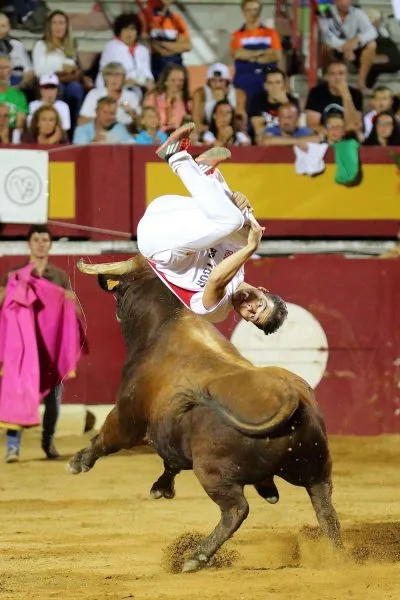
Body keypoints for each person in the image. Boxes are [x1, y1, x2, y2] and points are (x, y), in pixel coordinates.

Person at [137, 122, 288, 331]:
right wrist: (240, 205)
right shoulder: (239, 266)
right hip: (165, 209)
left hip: (158, 244)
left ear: (246, 320)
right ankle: (206, 175)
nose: (251, 309)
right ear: (262, 290)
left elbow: (217, 278)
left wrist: (251, 248)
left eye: (253, 317)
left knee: (234, 223)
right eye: (260, 304)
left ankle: (180, 159)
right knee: (241, 225)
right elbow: (247, 233)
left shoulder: (217, 312)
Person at [0, 224, 81, 462]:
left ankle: (48, 443)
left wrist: (70, 300)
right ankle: (13, 447)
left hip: (49, 348)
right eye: (36, 239)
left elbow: (73, 311)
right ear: (29, 243)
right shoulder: (14, 274)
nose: (40, 243)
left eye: (45, 239)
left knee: (53, 399)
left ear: (50, 244)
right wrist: (10, 289)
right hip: (23, 349)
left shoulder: (59, 277)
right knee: (17, 394)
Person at [32, 10, 85, 131]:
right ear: (49, 26)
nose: (58, 27)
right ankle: (57, 129)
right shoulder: (41, 45)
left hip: (68, 81)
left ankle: (75, 130)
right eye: (54, 23)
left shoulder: (70, 46)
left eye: (61, 23)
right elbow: (39, 71)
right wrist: (61, 67)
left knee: (76, 88)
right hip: (49, 83)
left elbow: (75, 68)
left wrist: (71, 70)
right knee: (58, 88)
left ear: (67, 26)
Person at [318, 0, 377, 89]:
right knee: (325, 47)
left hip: (354, 49)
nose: (343, 3)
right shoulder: (325, 12)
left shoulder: (357, 13)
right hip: (335, 48)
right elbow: (326, 36)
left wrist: (357, 39)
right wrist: (345, 47)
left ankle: (361, 82)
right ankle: (329, 81)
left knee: (372, 45)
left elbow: (372, 31)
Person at [230, 0, 282, 101]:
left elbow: (276, 55)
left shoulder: (271, 33)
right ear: (243, 12)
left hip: (267, 82)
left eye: (255, 10)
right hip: (244, 82)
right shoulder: (237, 35)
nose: (252, 13)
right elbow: (237, 54)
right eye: (249, 10)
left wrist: (251, 57)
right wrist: (263, 52)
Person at [95, 12, 153, 93]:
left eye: (132, 29)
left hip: (139, 85)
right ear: (119, 31)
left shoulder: (143, 50)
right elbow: (108, 71)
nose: (129, 32)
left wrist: (148, 81)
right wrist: (128, 81)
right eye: (125, 29)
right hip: (115, 86)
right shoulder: (112, 46)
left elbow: (146, 72)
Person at [305, 59, 362, 134]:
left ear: (346, 76)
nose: (337, 77)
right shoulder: (316, 93)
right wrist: (334, 133)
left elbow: (354, 125)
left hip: (347, 136)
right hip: (324, 136)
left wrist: (346, 95)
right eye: (332, 74)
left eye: (341, 73)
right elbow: (312, 125)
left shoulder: (356, 94)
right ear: (327, 77)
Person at [80, 62, 141, 128]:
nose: (114, 79)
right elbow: (82, 121)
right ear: (105, 78)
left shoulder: (131, 96)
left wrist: (133, 114)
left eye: (118, 75)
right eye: (110, 75)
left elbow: (141, 122)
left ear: (124, 78)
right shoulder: (95, 94)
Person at [191, 62, 247, 135]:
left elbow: (240, 123)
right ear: (208, 82)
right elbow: (196, 121)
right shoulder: (200, 94)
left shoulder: (238, 94)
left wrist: (222, 100)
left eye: (221, 81)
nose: (217, 85)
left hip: (232, 132)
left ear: (227, 82)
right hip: (208, 132)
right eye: (213, 81)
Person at [249, 68, 300, 144]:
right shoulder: (257, 100)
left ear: (284, 84)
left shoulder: (292, 101)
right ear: (265, 86)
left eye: (278, 82)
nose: (274, 87)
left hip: (287, 141)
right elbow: (258, 130)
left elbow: (295, 128)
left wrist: (285, 103)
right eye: (270, 83)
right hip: (264, 143)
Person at [144, 0, 192, 81]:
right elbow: (148, 45)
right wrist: (175, 47)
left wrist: (163, 45)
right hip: (156, 68)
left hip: (175, 67)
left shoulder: (176, 18)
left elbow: (188, 46)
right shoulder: (147, 18)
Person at [143, 63, 191, 133]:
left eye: (181, 80)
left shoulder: (187, 102)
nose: (177, 84)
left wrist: (179, 102)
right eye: (173, 80)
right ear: (166, 81)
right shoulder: (153, 98)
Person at [0, 12, 33, 89]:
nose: (0, 30)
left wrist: (21, 85)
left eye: (3, 26)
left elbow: (29, 71)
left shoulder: (17, 45)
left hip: (18, 84)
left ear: (9, 27)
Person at [0, 53, 28, 129]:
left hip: (11, 134)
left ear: (10, 71)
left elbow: (20, 124)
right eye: (0, 67)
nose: (1, 71)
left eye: (5, 67)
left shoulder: (19, 96)